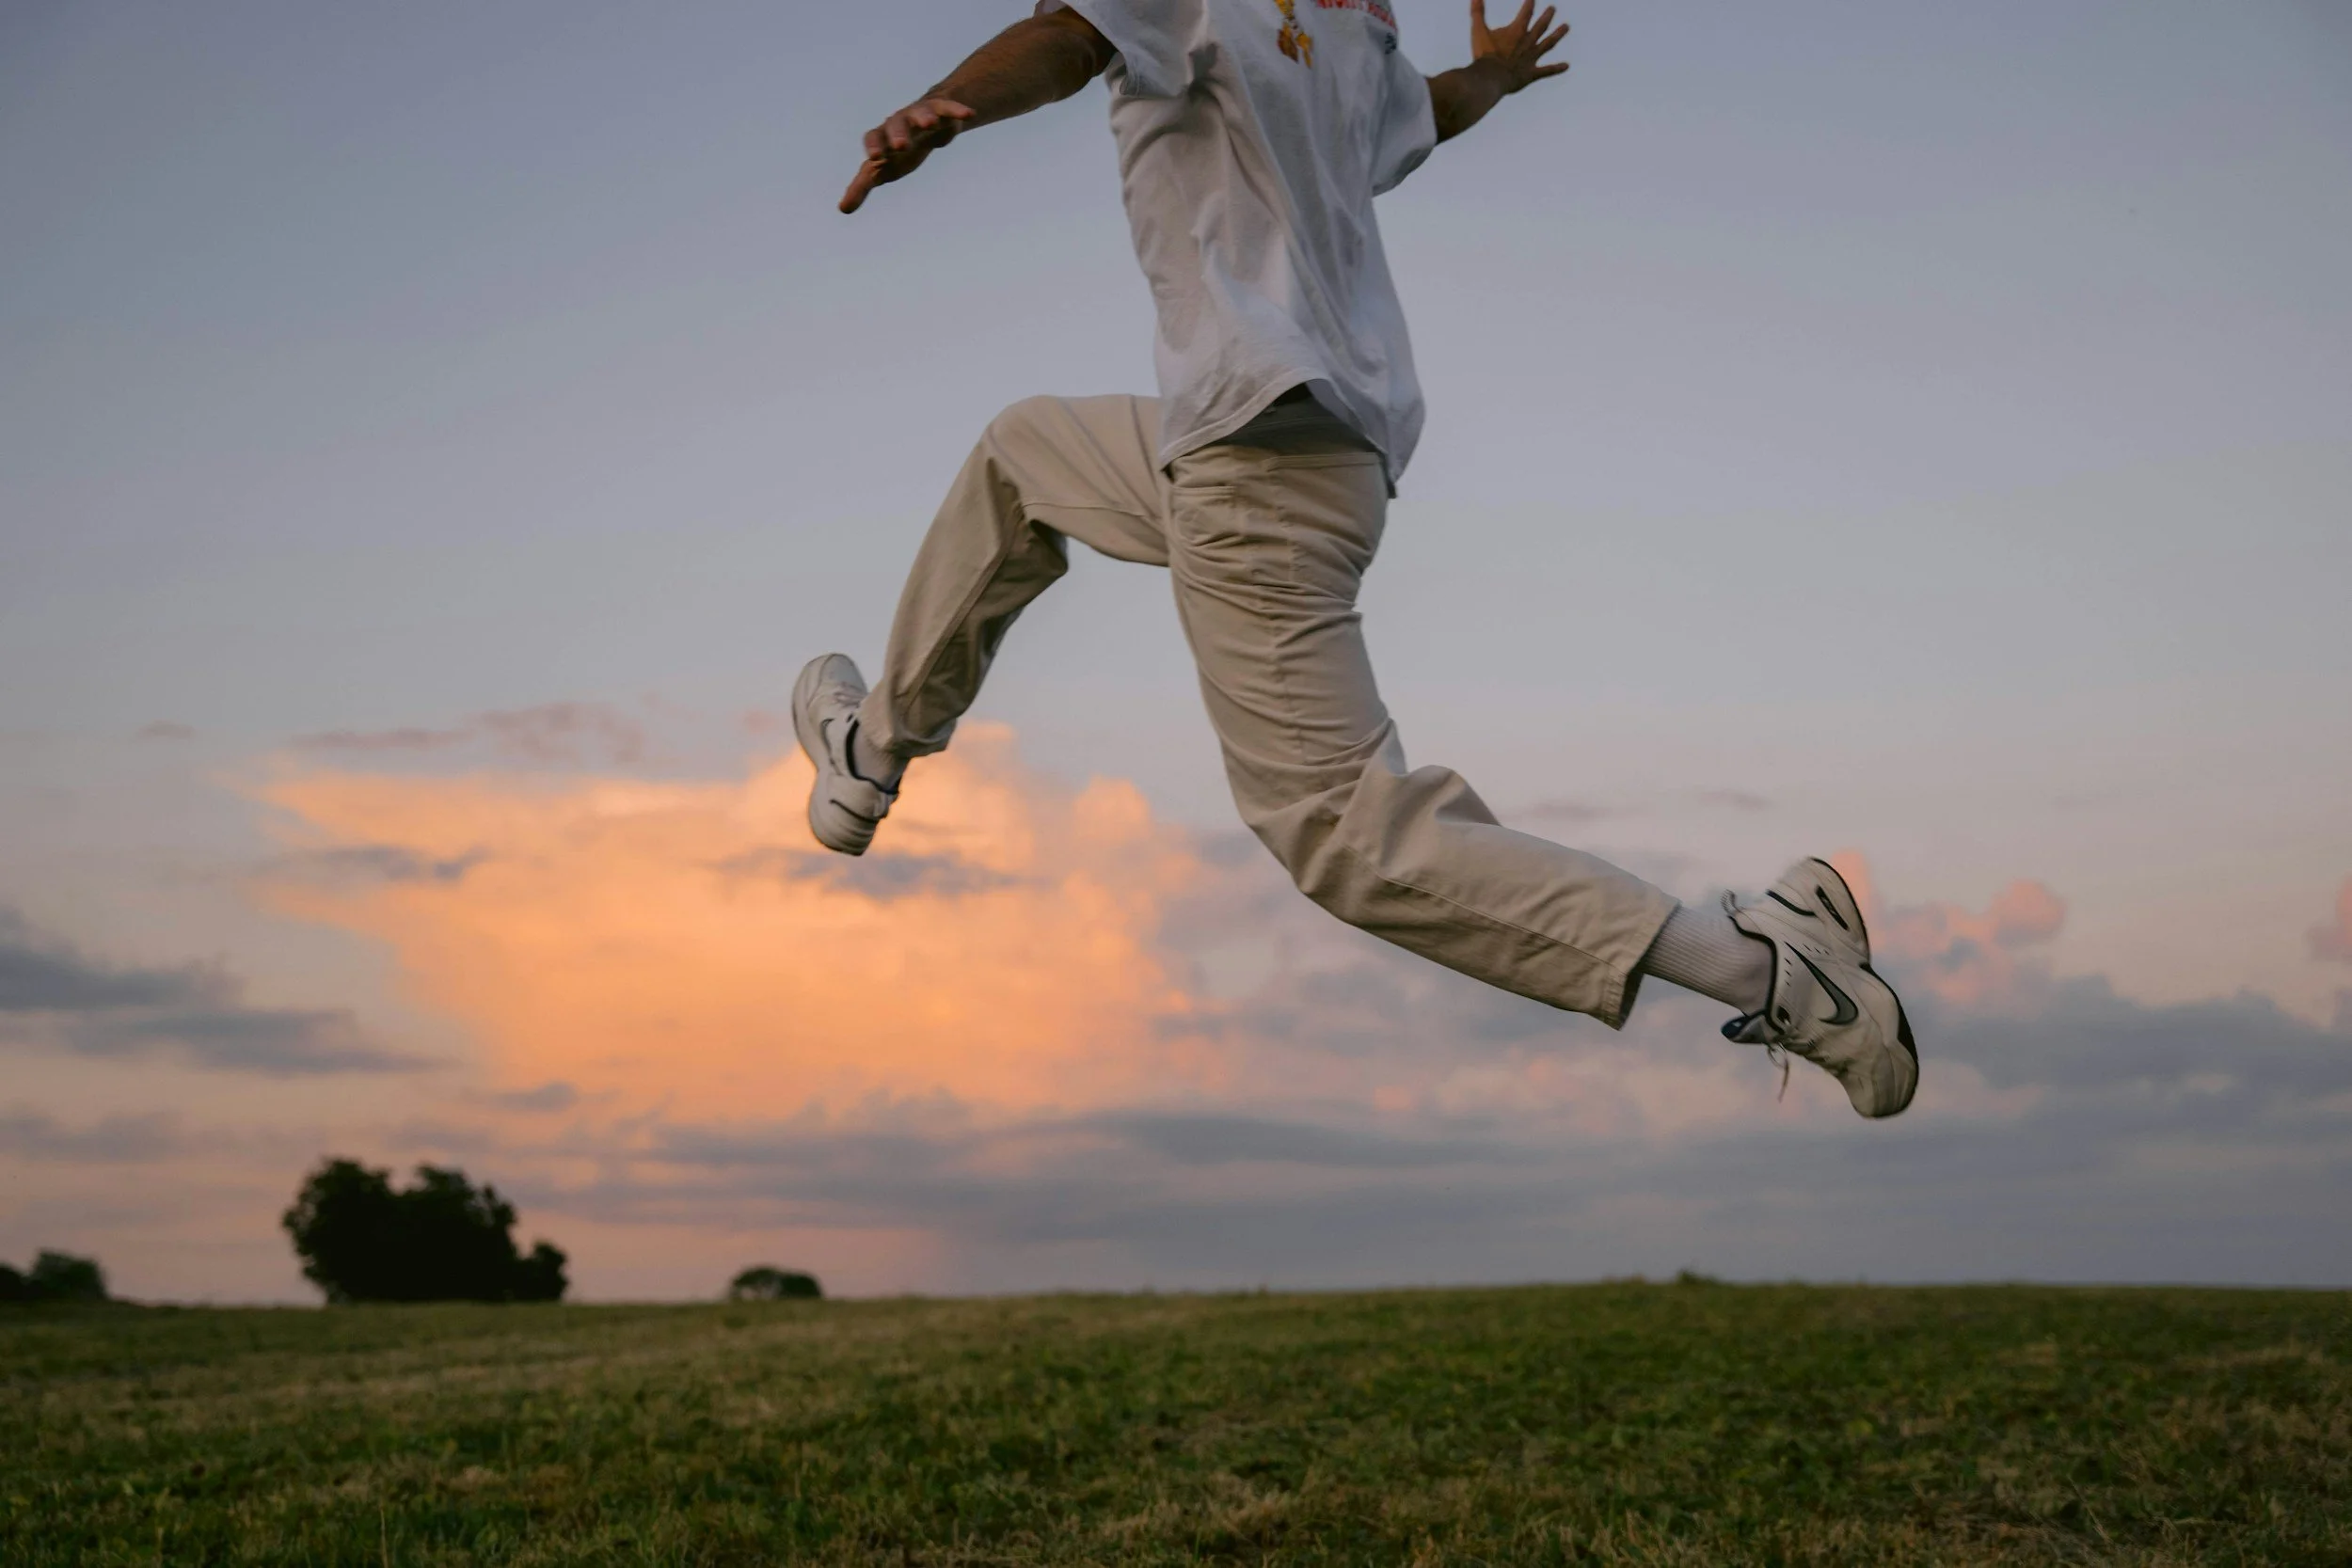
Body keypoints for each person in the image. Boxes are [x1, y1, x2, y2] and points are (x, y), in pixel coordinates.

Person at [794, 0, 1917, 1117]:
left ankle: (1770, 971)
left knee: (1342, 831)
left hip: (1252, 464)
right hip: (1291, 442)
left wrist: (949, 105)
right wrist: (1495, 79)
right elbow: (1419, 114)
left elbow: (1067, 40)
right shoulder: (1351, 19)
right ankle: (872, 749)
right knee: (1025, 453)